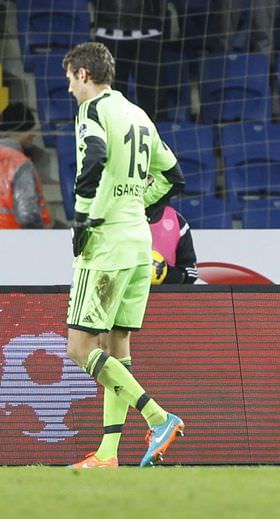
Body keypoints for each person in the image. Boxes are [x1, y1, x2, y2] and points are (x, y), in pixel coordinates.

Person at [62, 42, 187, 469]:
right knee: (116, 349)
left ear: (83, 74)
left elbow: (94, 157)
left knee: (80, 348)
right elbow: (173, 175)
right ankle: (108, 454)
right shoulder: (138, 114)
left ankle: (159, 417)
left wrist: (83, 219)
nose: (69, 89)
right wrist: (138, 205)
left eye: (70, 79)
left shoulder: (93, 110)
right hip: (138, 244)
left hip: (108, 244)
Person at [77, 0, 175, 120]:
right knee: (110, 98)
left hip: (148, 33)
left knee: (154, 99)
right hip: (109, 33)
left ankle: (152, 131)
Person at [0, 103, 52, 229]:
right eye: (31, 128)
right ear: (21, 130)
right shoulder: (19, 163)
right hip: (14, 236)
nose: (34, 134)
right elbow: (28, 214)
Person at [147, 199, 198, 285]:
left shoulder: (177, 221)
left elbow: (192, 270)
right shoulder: (123, 219)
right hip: (126, 290)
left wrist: (172, 275)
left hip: (164, 291)